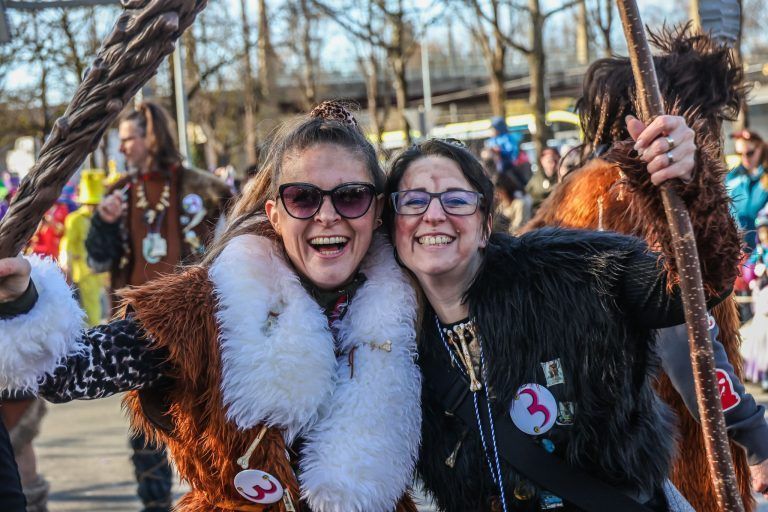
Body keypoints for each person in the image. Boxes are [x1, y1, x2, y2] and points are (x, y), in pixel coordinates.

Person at [0, 102, 421, 512]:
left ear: (377, 210)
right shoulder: (205, 308)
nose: (327, 215)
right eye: (303, 198)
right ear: (275, 214)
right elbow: (69, 371)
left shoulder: (414, 309)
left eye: (351, 196)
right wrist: (23, 299)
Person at [384, 111, 731, 511]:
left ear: (485, 226)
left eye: (456, 200)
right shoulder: (390, 345)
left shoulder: (570, 274)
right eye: (413, 201)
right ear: (393, 228)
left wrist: (689, 185)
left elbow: (694, 284)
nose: (433, 215)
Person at [523, 26, 764, 511]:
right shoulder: (639, 193)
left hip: (584, 448)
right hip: (661, 451)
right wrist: (756, 437)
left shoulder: (574, 188)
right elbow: (684, 339)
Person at [84, 101, 232, 512]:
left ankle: (217, 500)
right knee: (146, 431)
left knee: (209, 430)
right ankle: (155, 507)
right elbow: (98, 260)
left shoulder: (205, 189)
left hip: (196, 327)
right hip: (138, 329)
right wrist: (104, 224)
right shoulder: (118, 193)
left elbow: (236, 249)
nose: (122, 149)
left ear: (151, 137)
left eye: (128, 139)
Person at [60, 170, 108, 326]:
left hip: (104, 270)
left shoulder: (104, 218)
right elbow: (67, 244)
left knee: (107, 308)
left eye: (96, 204)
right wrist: (66, 264)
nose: (94, 207)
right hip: (85, 271)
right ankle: (94, 334)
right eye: (91, 204)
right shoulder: (74, 219)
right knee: (92, 309)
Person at [727, 129, 768, 250]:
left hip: (763, 250)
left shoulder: (765, 179)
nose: (745, 158)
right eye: (739, 154)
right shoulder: (731, 178)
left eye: (750, 153)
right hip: (738, 250)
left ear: (760, 149)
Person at [525, 147, 559, 213]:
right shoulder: (536, 178)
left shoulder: (561, 175)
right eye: (549, 161)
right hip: (539, 212)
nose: (553, 164)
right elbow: (529, 192)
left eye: (555, 161)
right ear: (542, 160)